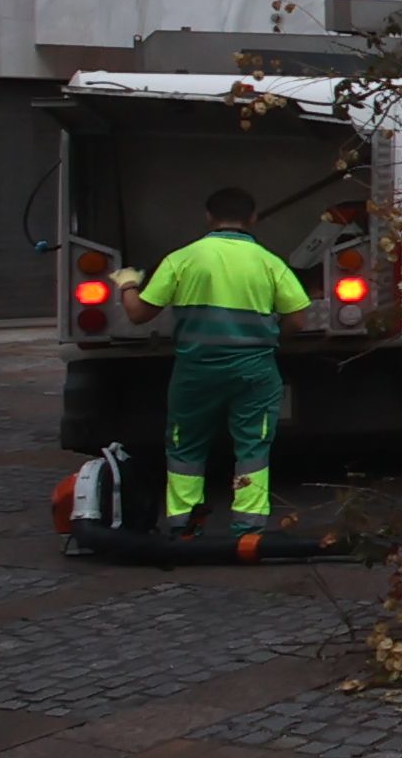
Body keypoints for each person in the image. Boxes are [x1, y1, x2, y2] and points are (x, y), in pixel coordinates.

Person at [120, 185, 310, 533]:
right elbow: (298, 317)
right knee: (252, 445)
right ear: (253, 218)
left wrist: (127, 284)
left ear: (209, 217)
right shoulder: (269, 262)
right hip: (254, 369)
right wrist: (269, 339)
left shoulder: (183, 259)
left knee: (186, 445)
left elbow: (138, 315)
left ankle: (185, 527)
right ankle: (248, 530)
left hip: (196, 370)